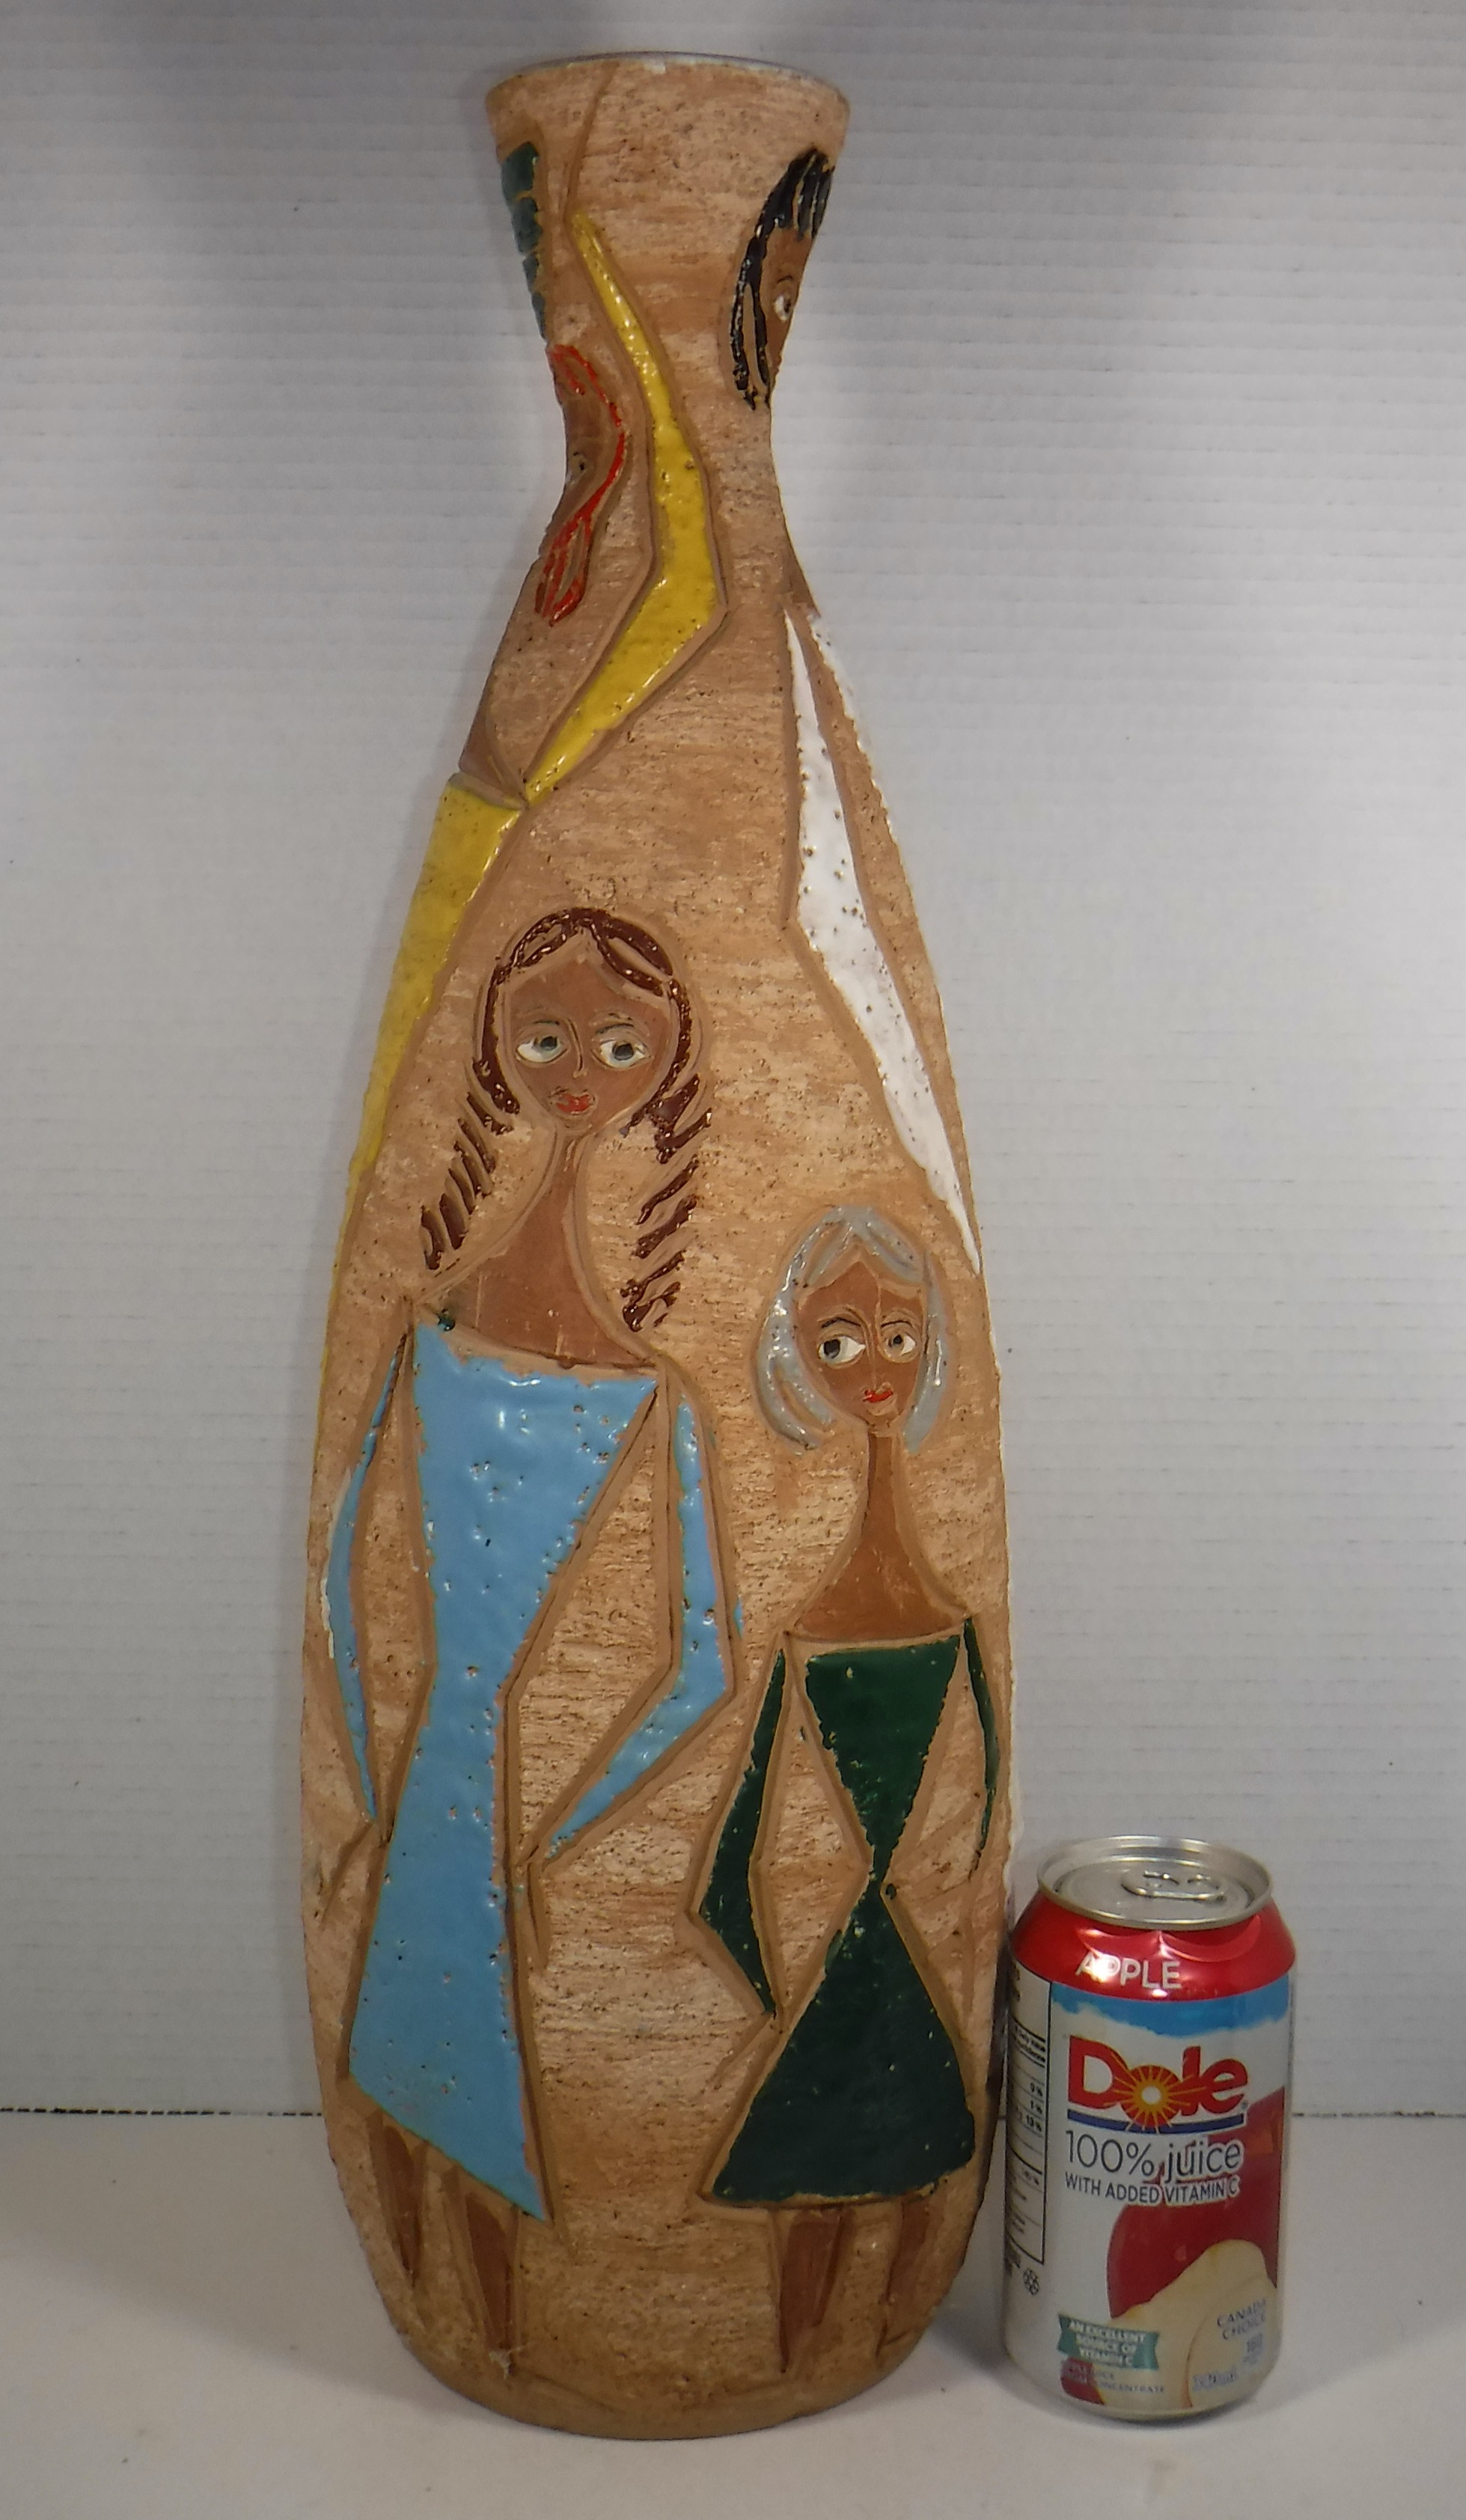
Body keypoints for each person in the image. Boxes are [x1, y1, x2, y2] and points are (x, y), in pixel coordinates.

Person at [322, 907, 732, 2353]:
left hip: (470, 1791)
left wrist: (542, 1840)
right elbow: (345, 1587)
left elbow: (704, 1666)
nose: (576, 1075)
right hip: (439, 1782)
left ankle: (492, 2336)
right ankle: (469, 2331)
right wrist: (376, 1796)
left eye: (618, 1049)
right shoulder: (432, 1325)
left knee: (448, 2078)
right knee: (412, 2066)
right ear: (498, 1046)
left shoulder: (650, 1392)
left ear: (659, 1080)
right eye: (547, 1036)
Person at [700, 1206, 1000, 2370]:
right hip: (836, 1948)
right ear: (798, 1355)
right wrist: (776, 1972)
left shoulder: (947, 1623)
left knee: (913, 2165)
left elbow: (976, 1819)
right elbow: (743, 1843)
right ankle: (802, 2354)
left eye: (898, 1337)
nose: (873, 1367)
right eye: (838, 1340)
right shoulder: (806, 1635)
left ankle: (866, 2340)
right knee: (814, 2177)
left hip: (895, 1934)